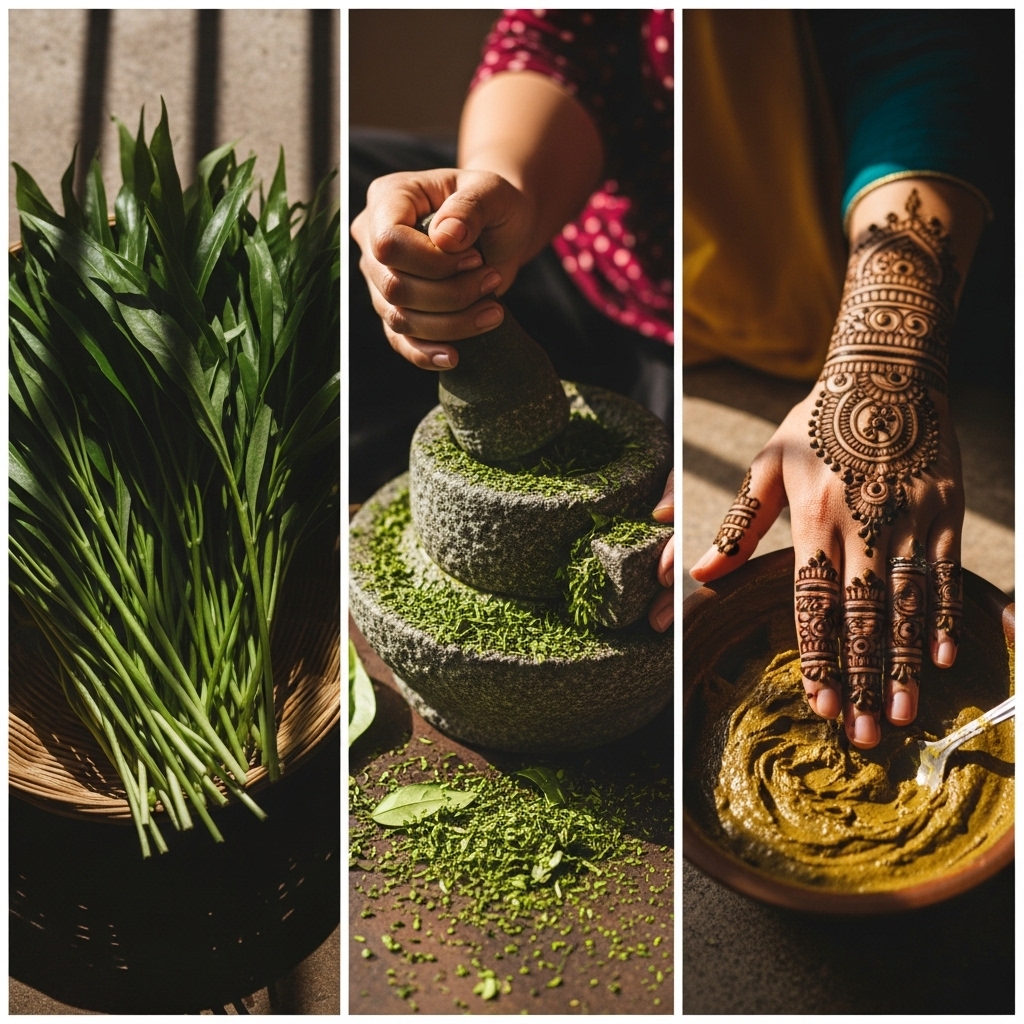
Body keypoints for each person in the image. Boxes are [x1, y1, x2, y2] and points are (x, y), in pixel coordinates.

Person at [684, 10, 1010, 750]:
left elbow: (926, 50)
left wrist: (886, 362)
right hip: (655, 301)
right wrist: (499, 186)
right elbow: (554, 45)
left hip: (887, 276)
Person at [351, 10, 675, 631]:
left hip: (697, 329)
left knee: (662, 574)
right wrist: (500, 189)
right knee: (346, 190)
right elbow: (556, 40)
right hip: (573, 232)